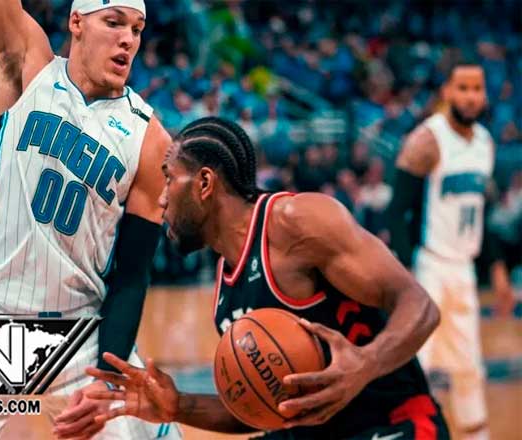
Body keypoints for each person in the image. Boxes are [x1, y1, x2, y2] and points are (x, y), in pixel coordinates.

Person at [0, 1, 180, 439]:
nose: (127, 39)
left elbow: (132, 275)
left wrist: (108, 378)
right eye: (113, 23)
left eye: (136, 28)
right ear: (76, 22)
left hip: (83, 332)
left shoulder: (149, 137)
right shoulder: (28, 63)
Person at [85, 117, 449, 439]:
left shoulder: (297, 222)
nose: (162, 199)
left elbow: (420, 306)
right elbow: (262, 407)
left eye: (169, 179)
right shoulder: (226, 293)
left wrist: (366, 364)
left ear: (204, 183)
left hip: (391, 421)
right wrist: (178, 406)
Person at [386, 60, 515, 440]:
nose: (471, 97)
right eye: (463, 88)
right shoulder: (427, 139)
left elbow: (480, 213)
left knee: (469, 366)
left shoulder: (485, 143)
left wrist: (497, 268)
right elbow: (397, 210)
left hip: (464, 268)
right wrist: (406, 273)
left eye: (477, 89)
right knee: (414, 365)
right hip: (429, 265)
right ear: (447, 92)